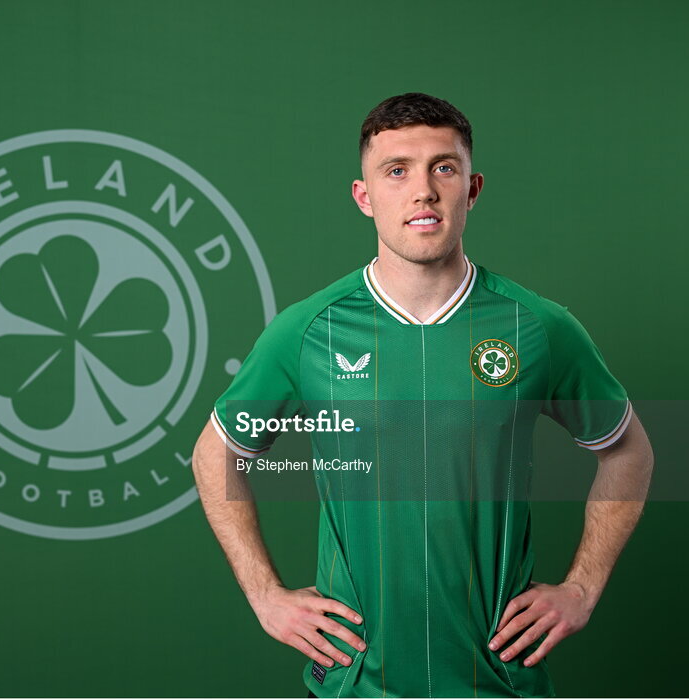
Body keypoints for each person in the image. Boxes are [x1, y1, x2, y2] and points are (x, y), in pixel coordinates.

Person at [191, 92, 654, 698]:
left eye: (444, 167)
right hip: (353, 680)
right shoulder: (309, 331)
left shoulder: (537, 327)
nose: (423, 191)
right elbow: (215, 453)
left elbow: (628, 452)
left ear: (473, 187)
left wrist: (583, 587)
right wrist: (266, 596)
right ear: (365, 196)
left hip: (498, 679)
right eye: (397, 170)